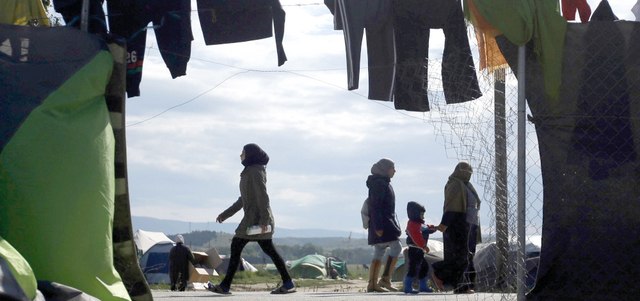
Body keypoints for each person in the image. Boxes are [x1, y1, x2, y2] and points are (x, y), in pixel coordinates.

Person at [208, 143, 295, 295]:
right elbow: (243, 199)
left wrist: (265, 221)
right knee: (268, 249)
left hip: (257, 219)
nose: (240, 155)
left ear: (250, 155)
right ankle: (288, 283)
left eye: (242, 153)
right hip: (254, 219)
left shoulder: (255, 172)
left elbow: (263, 195)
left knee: (237, 245)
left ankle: (225, 286)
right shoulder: (249, 172)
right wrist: (225, 214)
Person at [432, 162, 481, 294]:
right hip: (459, 226)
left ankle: (466, 284)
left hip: (471, 225)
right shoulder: (455, 184)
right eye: (466, 171)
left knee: (469, 256)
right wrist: (444, 224)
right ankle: (457, 284)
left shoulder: (468, 186)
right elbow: (451, 206)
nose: (468, 175)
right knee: (460, 256)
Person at [366, 158, 403, 292]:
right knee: (396, 247)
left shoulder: (381, 182)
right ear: (386, 169)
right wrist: (379, 226)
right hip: (383, 223)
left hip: (383, 222)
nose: (395, 171)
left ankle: (373, 283)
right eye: (393, 168)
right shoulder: (379, 184)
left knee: (380, 250)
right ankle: (384, 280)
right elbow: (376, 207)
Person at [403, 201, 436, 294]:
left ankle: (423, 285)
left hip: (419, 250)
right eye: (422, 214)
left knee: (424, 267)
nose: (423, 217)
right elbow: (416, 236)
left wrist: (435, 228)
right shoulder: (413, 225)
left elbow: (427, 228)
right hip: (414, 249)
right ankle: (408, 286)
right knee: (413, 267)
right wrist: (424, 246)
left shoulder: (419, 225)